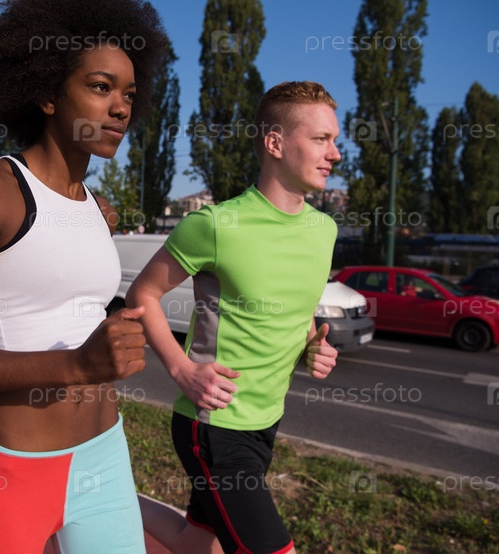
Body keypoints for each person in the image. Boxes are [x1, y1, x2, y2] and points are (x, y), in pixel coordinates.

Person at [0, 1, 168, 552]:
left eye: (129, 94)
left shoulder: (99, 210)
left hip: (103, 458)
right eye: (101, 87)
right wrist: (77, 366)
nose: (120, 108)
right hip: (5, 472)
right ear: (47, 93)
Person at [127, 81, 341, 554]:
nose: (335, 154)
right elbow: (142, 294)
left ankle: (99, 497)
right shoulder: (215, 225)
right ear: (275, 143)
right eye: (321, 139)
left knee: (197, 543)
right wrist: (181, 369)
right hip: (215, 424)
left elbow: (297, 311)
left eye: (335, 140)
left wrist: (313, 346)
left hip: (268, 420)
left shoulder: (324, 230)